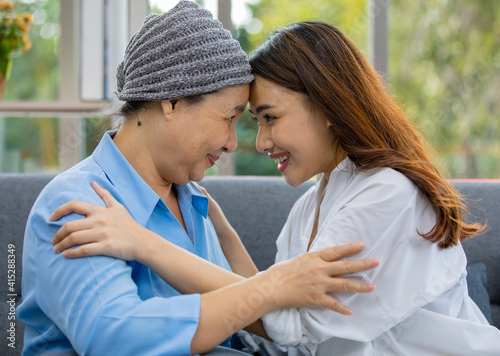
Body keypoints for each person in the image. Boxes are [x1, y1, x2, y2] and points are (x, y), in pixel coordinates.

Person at [50, 20, 500, 355]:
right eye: (242, 121)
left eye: (269, 118)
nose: (253, 142)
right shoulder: (310, 204)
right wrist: (225, 233)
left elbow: (288, 324)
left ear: (325, 104)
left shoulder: (387, 193)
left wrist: (145, 243)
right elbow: (269, 314)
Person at [17, 2, 378, 356]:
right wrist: (274, 285)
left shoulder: (194, 202)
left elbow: (238, 331)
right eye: (229, 118)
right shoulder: (77, 202)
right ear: (172, 101)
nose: (233, 143)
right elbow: (115, 339)